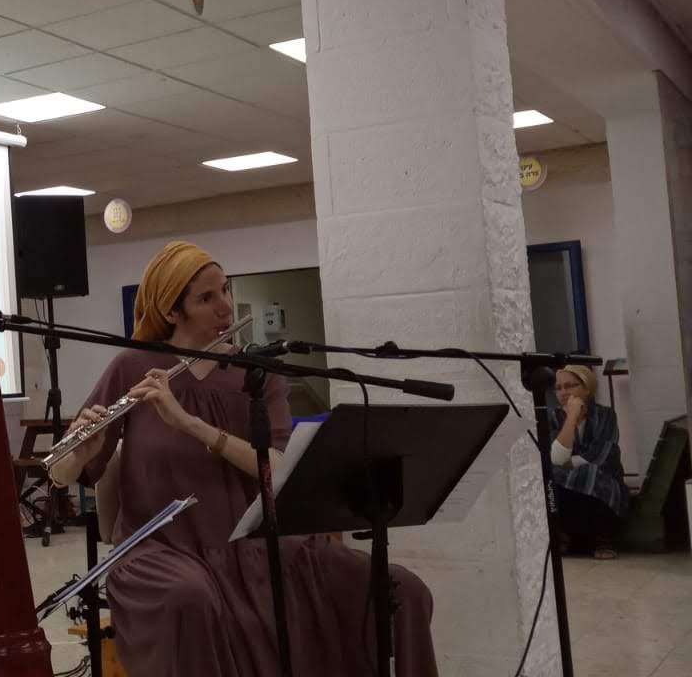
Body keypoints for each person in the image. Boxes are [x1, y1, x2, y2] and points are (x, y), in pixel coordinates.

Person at [61, 241, 437, 676]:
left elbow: (277, 467)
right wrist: (78, 454)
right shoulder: (133, 366)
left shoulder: (258, 372)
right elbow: (66, 473)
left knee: (403, 589)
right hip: (163, 552)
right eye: (206, 298)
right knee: (190, 597)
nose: (225, 306)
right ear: (172, 311)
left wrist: (191, 424)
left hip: (262, 543)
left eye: (225, 289)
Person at [548, 364, 627, 559]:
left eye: (570, 386)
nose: (563, 392)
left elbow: (603, 454)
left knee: (590, 473)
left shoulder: (606, 415)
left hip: (602, 474)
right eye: (558, 388)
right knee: (553, 476)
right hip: (566, 480)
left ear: (586, 388)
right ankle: (565, 536)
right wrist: (571, 418)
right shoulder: (553, 417)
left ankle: (604, 539)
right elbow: (556, 458)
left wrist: (570, 464)